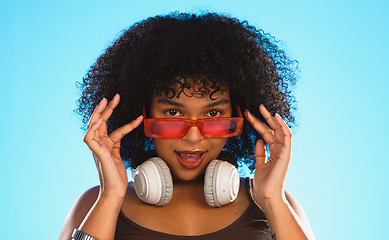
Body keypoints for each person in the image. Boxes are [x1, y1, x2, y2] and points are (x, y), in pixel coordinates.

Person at [60, 12, 315, 240]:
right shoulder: (94, 204)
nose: (193, 137)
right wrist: (111, 196)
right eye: (172, 112)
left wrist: (272, 200)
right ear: (142, 115)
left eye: (213, 113)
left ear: (240, 115)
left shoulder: (277, 203)